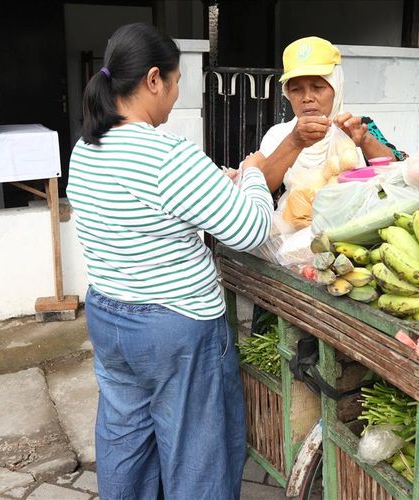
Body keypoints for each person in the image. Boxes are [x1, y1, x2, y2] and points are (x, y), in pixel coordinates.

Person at [66, 23, 273, 499]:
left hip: (109, 318)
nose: (177, 95)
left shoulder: (86, 148)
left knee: (125, 441)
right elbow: (250, 229)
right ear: (154, 79)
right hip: (176, 328)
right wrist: (256, 176)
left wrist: (214, 186)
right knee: (197, 452)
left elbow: (142, 211)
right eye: (178, 83)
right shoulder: (165, 153)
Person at [259, 36, 405, 194]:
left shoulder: (360, 127)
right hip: (297, 217)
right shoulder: (278, 135)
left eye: (317, 87)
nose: (307, 97)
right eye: (296, 89)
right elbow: (260, 187)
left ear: (336, 86)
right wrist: (294, 142)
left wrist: (364, 140)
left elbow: (397, 174)